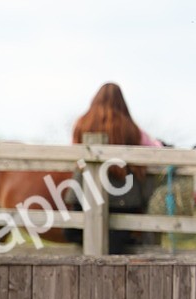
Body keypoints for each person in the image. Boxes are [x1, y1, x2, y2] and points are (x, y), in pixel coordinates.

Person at [70, 82, 163, 251]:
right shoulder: (130, 128)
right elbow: (156, 150)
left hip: (84, 192)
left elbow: (75, 151)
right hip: (123, 196)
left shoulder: (82, 123)